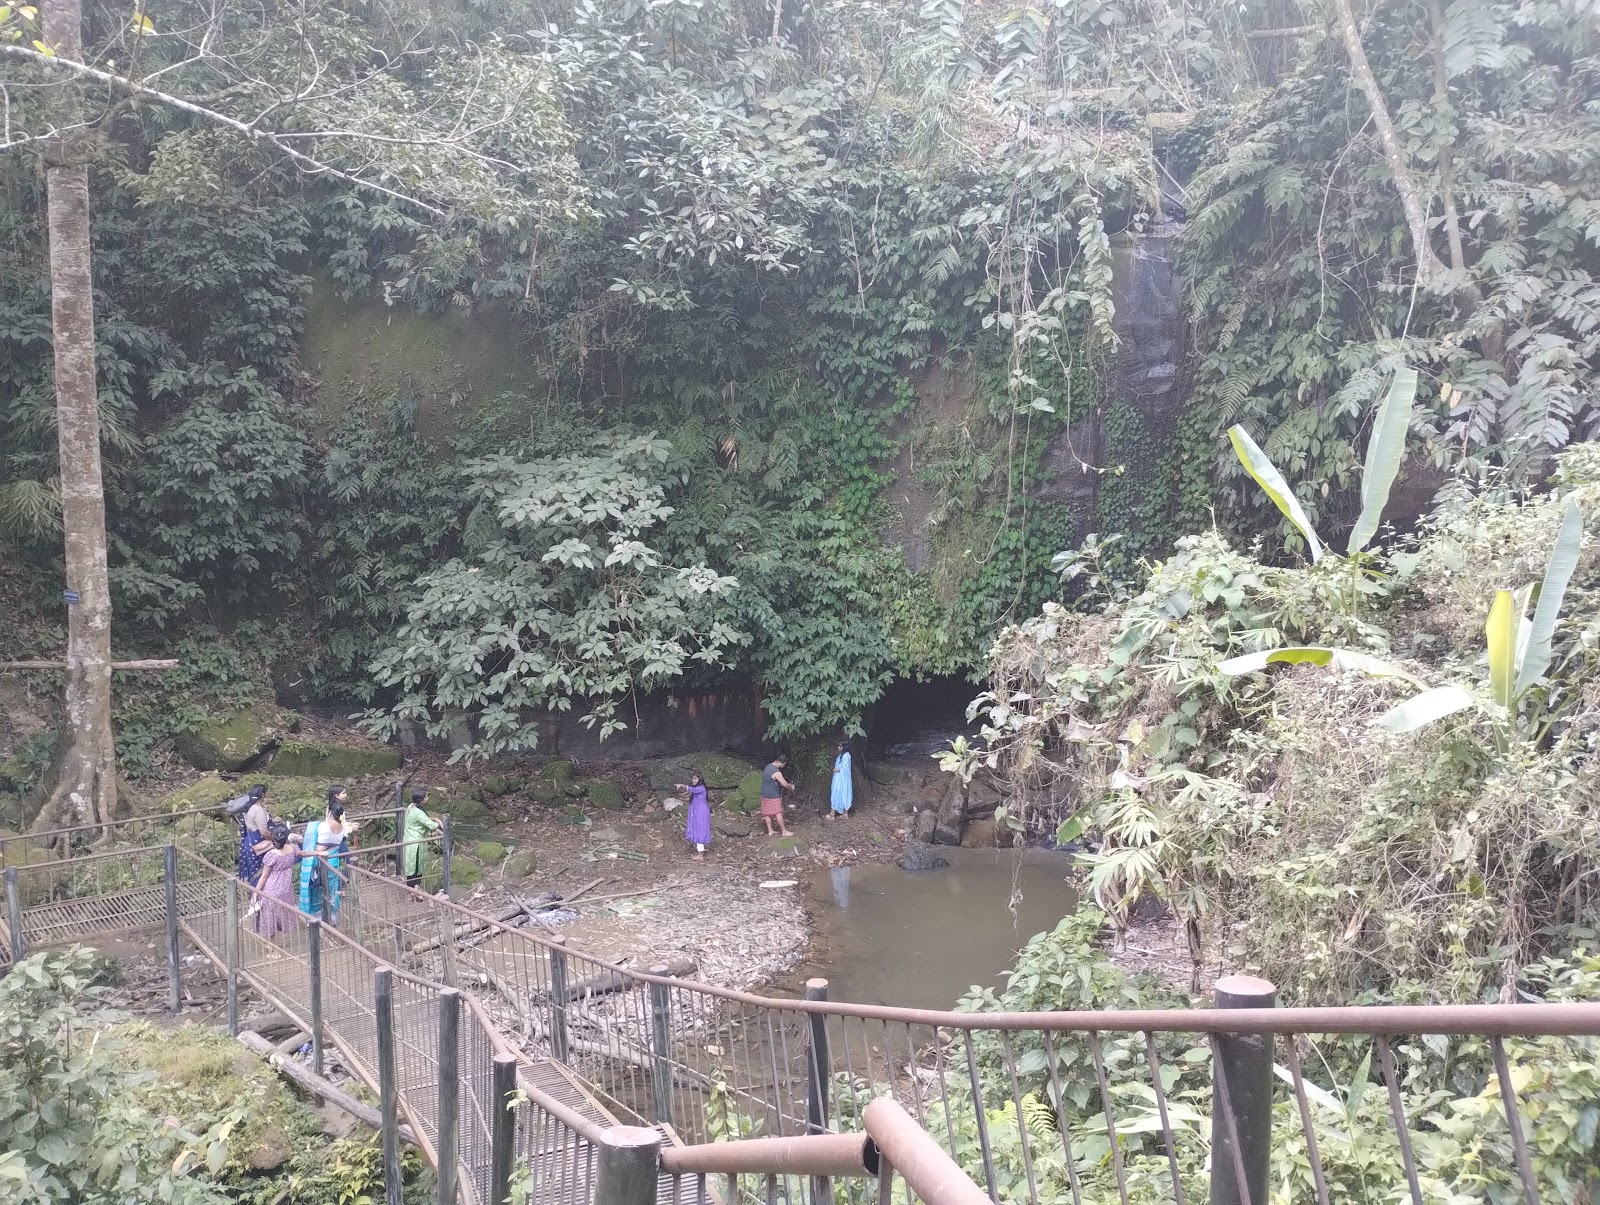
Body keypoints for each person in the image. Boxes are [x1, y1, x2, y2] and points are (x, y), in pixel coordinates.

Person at [299, 786, 356, 922]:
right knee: (331, 888)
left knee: (317, 888)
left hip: (319, 859)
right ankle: (332, 916)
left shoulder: (321, 827)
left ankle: (314, 916)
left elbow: (311, 835)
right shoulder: (342, 829)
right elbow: (341, 835)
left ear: (329, 813)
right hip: (333, 859)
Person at [253, 821, 298, 940]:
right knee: (281, 915)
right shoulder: (292, 849)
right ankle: (275, 945)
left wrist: (255, 892)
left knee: (269, 918)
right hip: (285, 888)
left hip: (272, 889)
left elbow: (264, 876)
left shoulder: (272, 855)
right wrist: (318, 852)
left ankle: (272, 949)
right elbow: (303, 853)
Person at [403, 787, 441, 888]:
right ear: (421, 799)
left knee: (414, 866)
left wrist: (435, 818)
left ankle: (415, 890)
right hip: (415, 842)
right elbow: (431, 824)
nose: (428, 798)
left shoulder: (411, 806)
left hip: (410, 839)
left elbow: (425, 818)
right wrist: (440, 823)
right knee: (415, 868)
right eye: (426, 797)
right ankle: (412, 890)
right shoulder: (418, 812)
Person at [236, 784, 273, 882]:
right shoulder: (258, 810)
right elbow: (264, 832)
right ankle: (258, 894)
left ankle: (253, 893)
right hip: (258, 842)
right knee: (260, 871)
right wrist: (274, 838)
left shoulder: (250, 807)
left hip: (250, 840)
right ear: (263, 795)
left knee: (253, 870)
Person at [678, 772, 711, 861]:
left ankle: (700, 855)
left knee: (699, 830)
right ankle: (699, 851)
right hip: (697, 811)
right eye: (693, 778)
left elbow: (693, 790)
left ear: (700, 780)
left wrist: (683, 786)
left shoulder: (701, 788)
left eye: (695, 779)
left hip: (701, 812)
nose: (693, 780)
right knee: (696, 829)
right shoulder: (698, 788)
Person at [759, 756, 795, 838]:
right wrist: (791, 786)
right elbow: (784, 784)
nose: (783, 767)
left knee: (767, 813)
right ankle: (784, 831)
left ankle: (770, 830)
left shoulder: (768, 766)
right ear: (780, 762)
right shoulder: (776, 772)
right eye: (783, 765)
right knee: (778, 813)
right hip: (773, 795)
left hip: (764, 794)